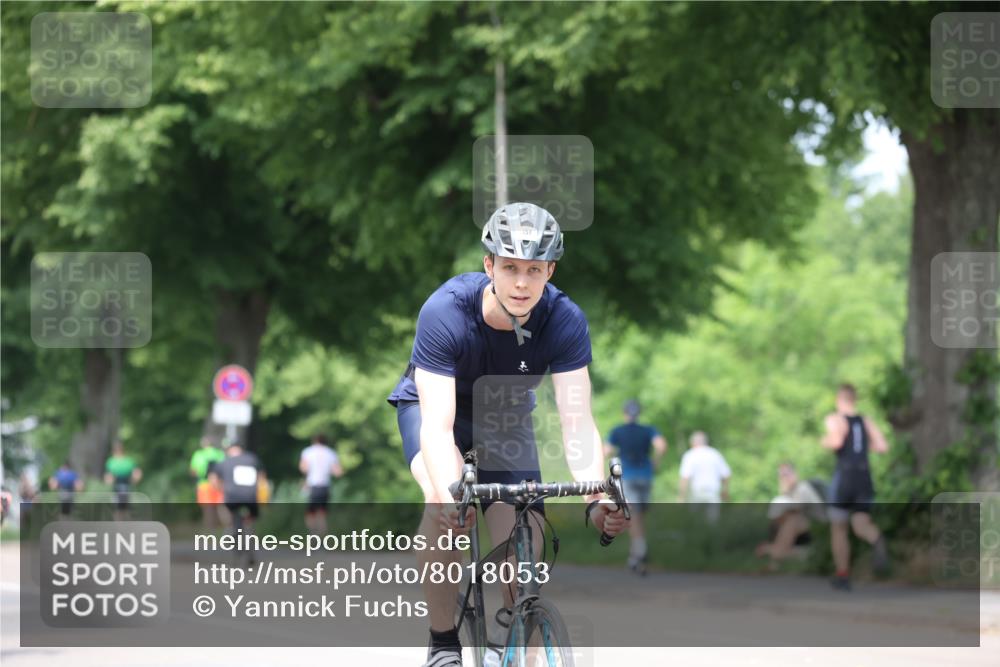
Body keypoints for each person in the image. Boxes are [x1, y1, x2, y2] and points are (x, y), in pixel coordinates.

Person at [386, 202, 627, 667]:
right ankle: (443, 642)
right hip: (436, 411)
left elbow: (577, 420)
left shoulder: (564, 320)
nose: (521, 283)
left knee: (526, 547)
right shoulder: (446, 311)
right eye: (510, 268)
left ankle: (519, 643)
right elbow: (437, 427)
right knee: (443, 509)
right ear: (489, 265)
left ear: (550, 271)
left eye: (534, 270)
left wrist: (595, 499)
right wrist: (452, 496)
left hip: (504, 418)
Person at [822, 383, 890, 591]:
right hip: (864, 476)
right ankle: (876, 539)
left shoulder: (835, 419)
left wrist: (825, 441)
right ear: (854, 400)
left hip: (845, 476)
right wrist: (861, 448)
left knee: (838, 527)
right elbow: (882, 446)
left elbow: (836, 441)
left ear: (839, 400)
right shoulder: (865, 421)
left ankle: (843, 574)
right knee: (861, 524)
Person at [604, 399, 667, 575]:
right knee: (639, 517)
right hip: (646, 476)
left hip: (628, 477)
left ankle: (640, 552)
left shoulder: (617, 431)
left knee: (633, 517)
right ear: (638, 413)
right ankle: (634, 556)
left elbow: (606, 450)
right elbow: (661, 446)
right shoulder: (648, 430)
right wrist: (655, 462)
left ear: (624, 413)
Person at [754, 462, 827, 570]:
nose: (784, 478)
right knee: (783, 519)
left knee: (792, 519)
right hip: (802, 532)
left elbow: (796, 510)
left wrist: (784, 494)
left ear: (795, 474)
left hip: (817, 528)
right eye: (781, 476)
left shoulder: (803, 488)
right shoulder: (791, 492)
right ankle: (778, 555)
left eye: (787, 474)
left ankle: (775, 552)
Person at [209, 441, 266, 567]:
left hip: (232, 498)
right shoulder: (252, 459)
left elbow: (213, 480)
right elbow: (262, 478)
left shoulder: (224, 462)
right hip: (250, 497)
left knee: (231, 518)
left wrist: (222, 489)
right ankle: (250, 546)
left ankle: (232, 532)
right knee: (249, 522)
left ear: (230, 450)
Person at [677, 431, 731, 523]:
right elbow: (726, 474)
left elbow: (685, 477)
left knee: (696, 521)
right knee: (713, 522)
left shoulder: (690, 455)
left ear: (693, 443)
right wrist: (725, 490)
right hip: (713, 493)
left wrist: (681, 497)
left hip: (696, 494)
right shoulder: (715, 454)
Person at [299, 433, 344, 535]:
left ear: (314, 441)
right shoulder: (331, 453)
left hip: (312, 486)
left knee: (310, 514)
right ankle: (322, 537)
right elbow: (338, 472)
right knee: (322, 514)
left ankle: (313, 534)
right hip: (325, 486)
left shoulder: (307, 451)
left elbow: (303, 468)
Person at [190, 437, 226, 529]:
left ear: (203, 444)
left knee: (207, 508)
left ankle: (210, 528)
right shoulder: (219, 454)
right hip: (218, 484)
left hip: (204, 484)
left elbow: (193, 471)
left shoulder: (198, 454)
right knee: (220, 506)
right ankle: (224, 527)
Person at [104, 441, 142, 520]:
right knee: (122, 507)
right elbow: (137, 473)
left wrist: (135, 479)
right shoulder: (125, 461)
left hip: (122, 485)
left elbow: (136, 472)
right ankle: (122, 522)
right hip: (121, 485)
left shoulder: (115, 461)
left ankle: (121, 522)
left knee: (120, 507)